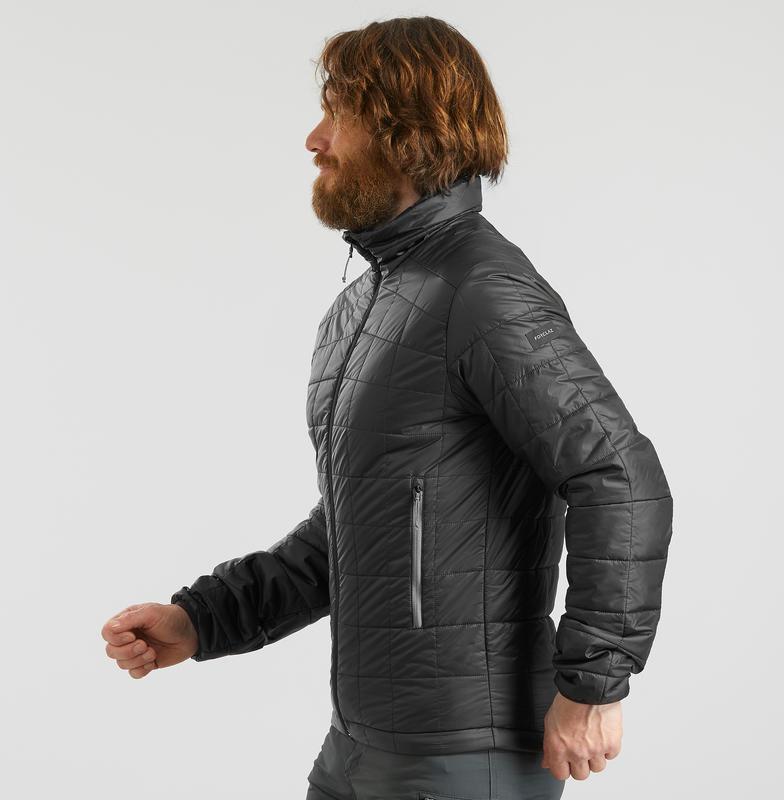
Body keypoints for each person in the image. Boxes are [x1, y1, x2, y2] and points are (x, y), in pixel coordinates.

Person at [101, 16, 673, 799]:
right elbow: (351, 533)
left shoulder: (484, 290)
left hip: (463, 757)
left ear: (408, 131)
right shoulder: (359, 311)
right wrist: (203, 620)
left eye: (337, 114)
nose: (315, 139)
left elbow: (620, 477)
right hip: (358, 748)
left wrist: (594, 684)